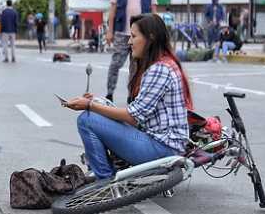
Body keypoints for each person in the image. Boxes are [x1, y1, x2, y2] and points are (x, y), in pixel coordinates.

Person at [64, 14, 191, 181]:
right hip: (164, 144)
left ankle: (105, 182)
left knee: (86, 120)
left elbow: (132, 118)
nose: (129, 42)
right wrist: (98, 102)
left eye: (134, 36)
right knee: (98, 109)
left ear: (150, 38)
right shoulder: (165, 63)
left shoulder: (159, 69)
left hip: (162, 149)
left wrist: (89, 105)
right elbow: (138, 112)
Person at [105, 0, 157, 102]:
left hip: (141, 35)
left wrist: (154, 33)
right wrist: (109, 31)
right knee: (115, 64)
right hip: (122, 33)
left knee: (136, 68)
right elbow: (112, 11)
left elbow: (154, 13)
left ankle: (132, 96)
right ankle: (109, 93)